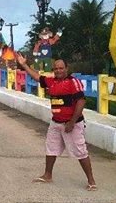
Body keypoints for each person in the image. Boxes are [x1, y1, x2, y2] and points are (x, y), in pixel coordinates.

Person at [15, 53, 97, 191]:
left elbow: (81, 101)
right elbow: (36, 77)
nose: (58, 71)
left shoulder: (73, 82)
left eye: (61, 68)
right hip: (56, 122)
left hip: (72, 124)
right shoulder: (51, 82)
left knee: (80, 151)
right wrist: (23, 65)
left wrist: (72, 121)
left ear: (66, 68)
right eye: (56, 69)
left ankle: (91, 180)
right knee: (51, 148)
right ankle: (47, 175)